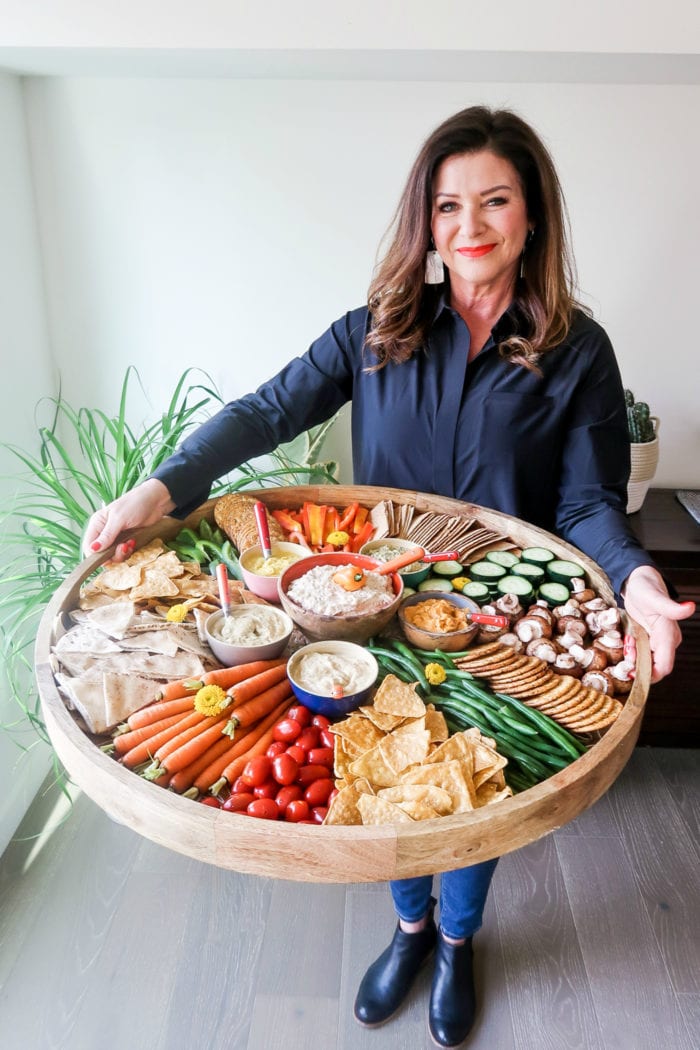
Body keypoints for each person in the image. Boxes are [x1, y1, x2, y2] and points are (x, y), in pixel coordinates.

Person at [82, 105, 694, 1048]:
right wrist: (159, 489)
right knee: (387, 777)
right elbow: (264, 413)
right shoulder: (376, 330)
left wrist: (641, 584)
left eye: (494, 201)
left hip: (490, 621)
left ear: (532, 216)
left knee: (477, 788)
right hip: (363, 612)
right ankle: (409, 927)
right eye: (448, 206)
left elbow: (586, 508)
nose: (470, 226)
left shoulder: (580, 354)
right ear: (426, 219)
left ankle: (457, 939)